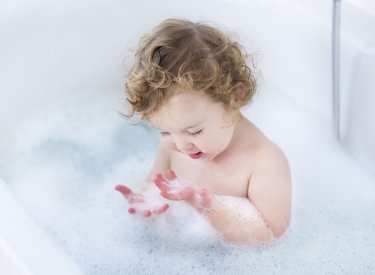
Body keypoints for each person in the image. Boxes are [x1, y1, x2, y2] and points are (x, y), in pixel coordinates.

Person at [115, 18, 291, 244]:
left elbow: (272, 234)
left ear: (234, 97)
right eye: (165, 132)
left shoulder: (264, 161)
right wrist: (146, 201)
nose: (179, 145)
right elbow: (153, 183)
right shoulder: (175, 144)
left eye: (194, 131)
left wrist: (208, 208)